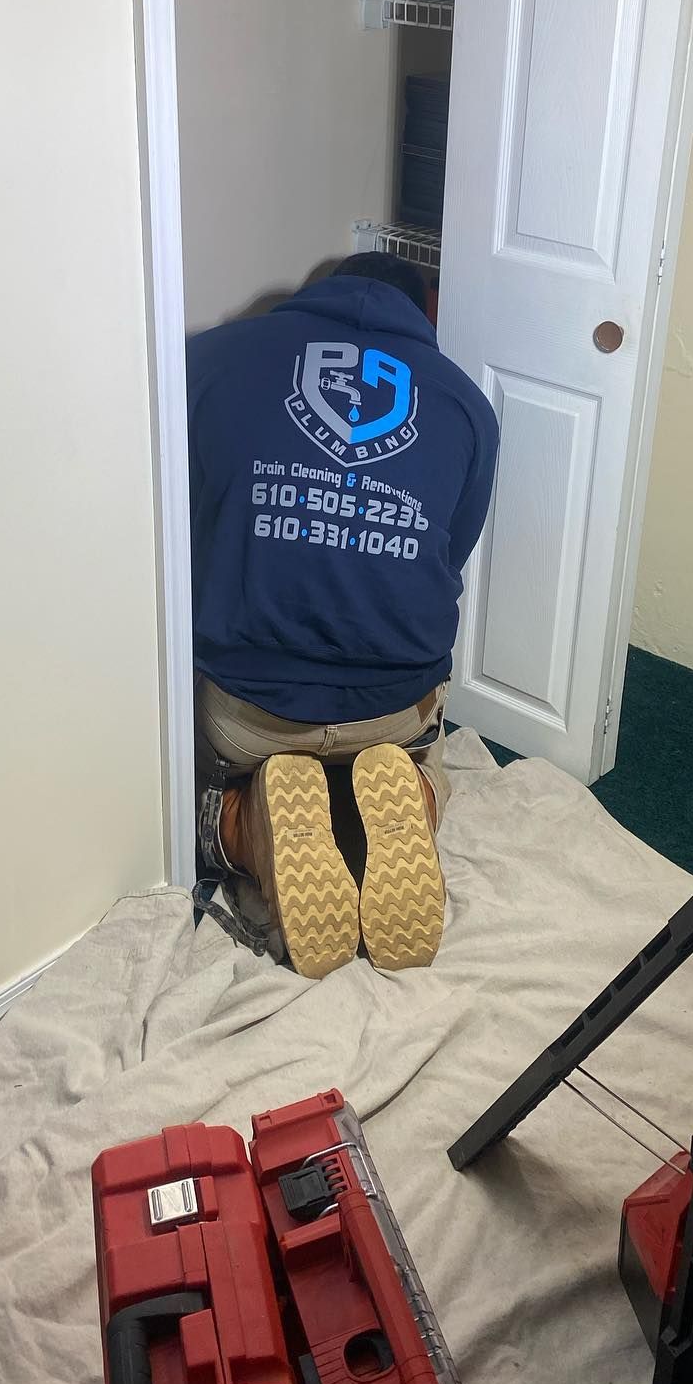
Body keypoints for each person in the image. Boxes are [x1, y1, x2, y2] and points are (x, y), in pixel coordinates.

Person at [187, 253, 499, 979]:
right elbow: (450, 553)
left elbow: (181, 525)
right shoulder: (465, 406)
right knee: (421, 748)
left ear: (312, 296)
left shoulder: (208, 362)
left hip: (250, 711)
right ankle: (413, 791)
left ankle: (241, 825)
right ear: (422, 315)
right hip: (392, 705)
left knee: (188, 776)